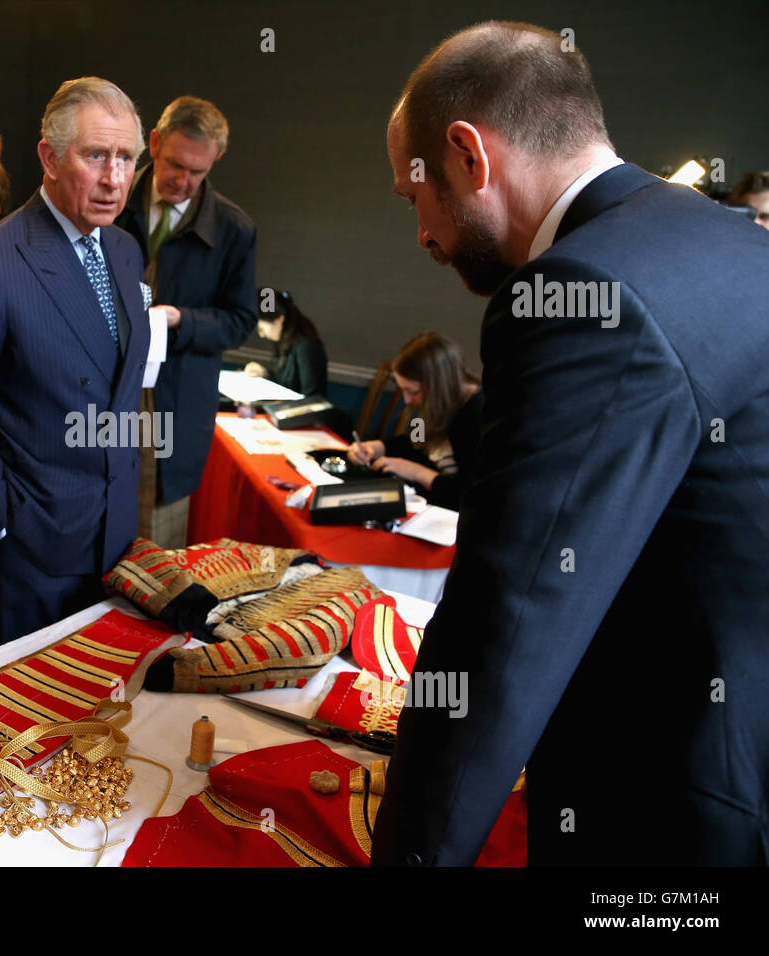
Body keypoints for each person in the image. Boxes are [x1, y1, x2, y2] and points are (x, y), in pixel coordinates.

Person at [371, 21, 769, 866]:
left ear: (468, 156)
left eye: (416, 199)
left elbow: (503, 623)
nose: (423, 237)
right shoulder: (733, 237)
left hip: (667, 805)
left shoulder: (577, 291)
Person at [0, 77, 151, 649]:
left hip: (114, 538)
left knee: (104, 716)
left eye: (126, 158)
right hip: (32, 548)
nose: (114, 178)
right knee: (29, 724)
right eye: (95, 156)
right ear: (49, 157)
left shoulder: (126, 248)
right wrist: (2, 525)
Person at [115, 95, 256, 548]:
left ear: (216, 159)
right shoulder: (110, 202)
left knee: (155, 549)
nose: (183, 180)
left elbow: (239, 321)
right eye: (175, 164)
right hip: (98, 390)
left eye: (198, 171)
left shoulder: (234, 229)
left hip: (171, 405)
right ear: (153, 143)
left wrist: (180, 320)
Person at [346, 332, 481, 510]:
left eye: (413, 392)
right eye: (403, 390)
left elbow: (472, 494)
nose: (407, 400)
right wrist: (378, 447)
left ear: (439, 386)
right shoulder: (437, 404)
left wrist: (417, 473)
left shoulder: (477, 415)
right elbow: (416, 440)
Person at [244, 289, 328, 398]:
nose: (262, 335)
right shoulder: (285, 342)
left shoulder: (307, 346)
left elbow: (312, 396)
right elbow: (286, 382)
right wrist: (264, 373)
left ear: (279, 319)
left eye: (261, 329)